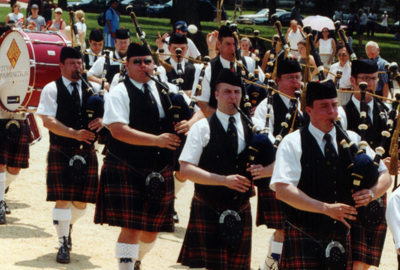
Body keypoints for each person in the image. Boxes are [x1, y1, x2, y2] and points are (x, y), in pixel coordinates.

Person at [270, 79, 391, 269]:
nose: (332, 112)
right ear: (308, 110)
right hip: (304, 236)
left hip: (341, 239)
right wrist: (326, 208)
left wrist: (371, 194)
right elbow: (283, 190)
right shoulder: (293, 142)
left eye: (334, 105)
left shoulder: (353, 140)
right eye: (324, 106)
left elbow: (386, 176)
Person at [94, 42, 182, 270]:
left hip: (159, 168)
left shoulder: (165, 89)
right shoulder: (119, 92)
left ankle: (136, 261)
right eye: (137, 62)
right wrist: (157, 140)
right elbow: (117, 130)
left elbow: (201, 109)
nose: (143, 66)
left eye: (148, 61)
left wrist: (189, 123)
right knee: (131, 227)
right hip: (126, 165)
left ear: (154, 64)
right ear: (127, 65)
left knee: (151, 231)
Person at [178, 68, 273, 269]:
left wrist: (264, 172)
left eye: (237, 92)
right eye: (227, 92)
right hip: (208, 206)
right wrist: (224, 180)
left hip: (240, 208)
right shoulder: (202, 127)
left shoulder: (254, 128)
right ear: (216, 95)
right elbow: (185, 169)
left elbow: (279, 162)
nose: (233, 97)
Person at [37, 47, 103, 264]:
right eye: (72, 64)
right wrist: (74, 133)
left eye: (80, 63)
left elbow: (112, 114)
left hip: (87, 152)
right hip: (61, 150)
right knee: (62, 199)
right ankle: (63, 241)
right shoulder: (51, 89)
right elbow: (47, 121)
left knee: (82, 202)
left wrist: (104, 121)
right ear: (61, 66)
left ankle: (67, 224)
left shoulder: (93, 88)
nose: (78, 68)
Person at [338, 59, 391, 269]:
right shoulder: (341, 113)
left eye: (373, 79)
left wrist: (392, 160)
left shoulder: (386, 111)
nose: (369, 83)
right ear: (352, 80)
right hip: (350, 190)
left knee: (366, 261)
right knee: (350, 260)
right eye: (364, 79)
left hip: (377, 188)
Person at [254, 59, 306, 270]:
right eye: (290, 78)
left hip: (300, 174)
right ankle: (271, 266)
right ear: (277, 80)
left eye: (298, 77)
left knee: (295, 228)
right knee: (282, 228)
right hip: (277, 173)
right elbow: (264, 141)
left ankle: (268, 267)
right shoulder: (266, 106)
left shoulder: (302, 105)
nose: (296, 82)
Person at [197, 25, 263, 117]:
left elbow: (265, 89)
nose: (233, 48)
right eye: (228, 44)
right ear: (219, 45)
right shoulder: (207, 69)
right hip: (217, 125)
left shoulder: (249, 63)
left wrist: (260, 107)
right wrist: (228, 119)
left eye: (235, 44)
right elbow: (203, 105)